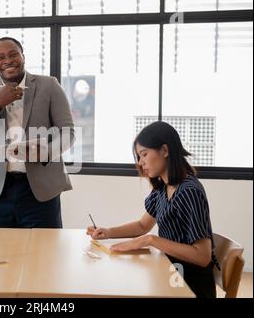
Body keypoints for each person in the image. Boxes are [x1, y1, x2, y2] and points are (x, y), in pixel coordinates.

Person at [86, 121, 218, 298]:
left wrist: (151, 240)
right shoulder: (163, 188)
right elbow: (142, 225)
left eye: (144, 154)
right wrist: (108, 232)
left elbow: (202, 256)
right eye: (139, 157)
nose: (140, 163)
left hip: (189, 287)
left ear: (164, 150)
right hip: (171, 275)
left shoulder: (189, 192)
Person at [0, 37, 75, 228]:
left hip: (40, 191)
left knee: (43, 252)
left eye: (13, 54)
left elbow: (67, 132)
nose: (7, 60)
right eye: (0, 57)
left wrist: (47, 152)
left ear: (23, 56)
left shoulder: (49, 86)